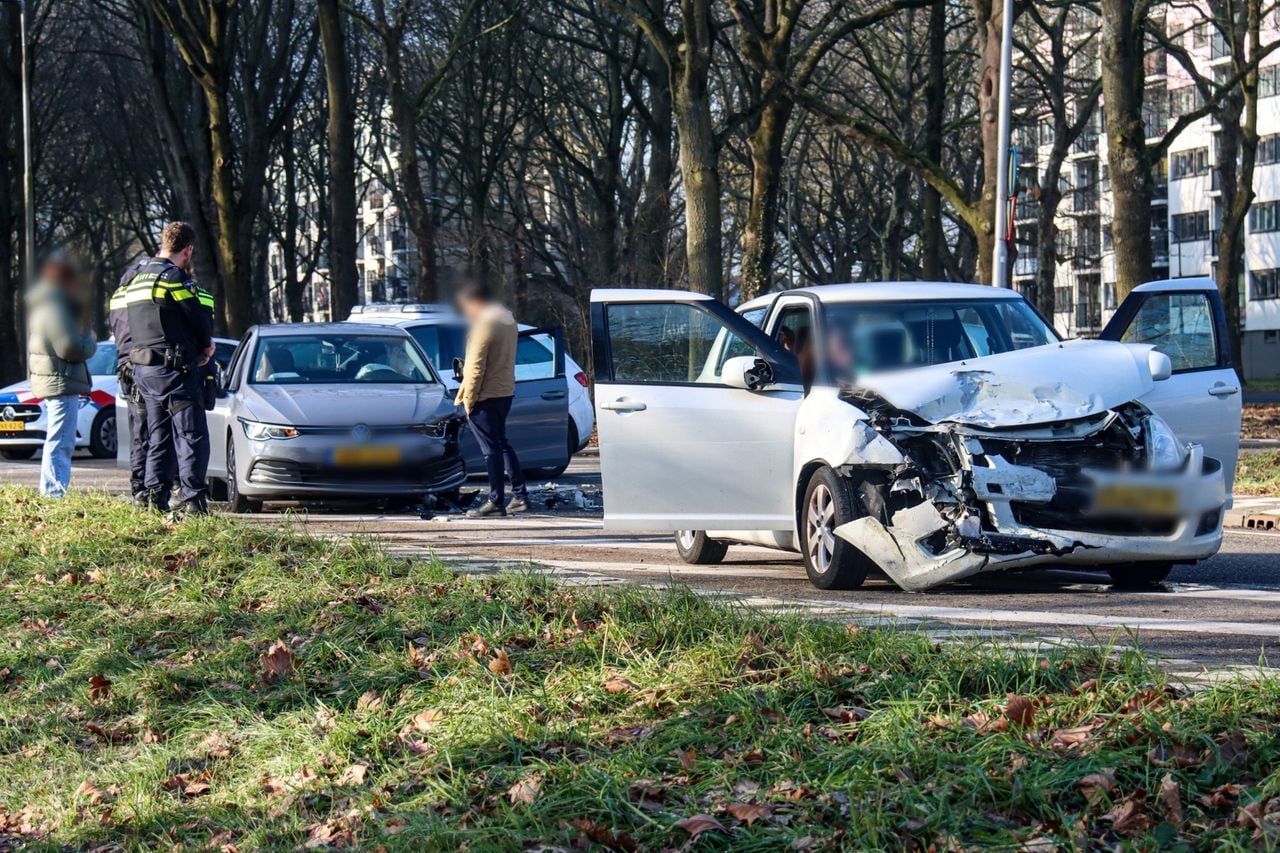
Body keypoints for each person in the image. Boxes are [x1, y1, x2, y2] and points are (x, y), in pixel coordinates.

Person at [123, 222, 215, 515]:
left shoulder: (136, 279)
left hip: (143, 371)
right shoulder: (173, 278)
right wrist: (206, 345)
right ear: (187, 249)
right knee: (191, 435)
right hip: (174, 371)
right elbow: (196, 316)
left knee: (158, 436)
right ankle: (193, 500)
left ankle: (154, 497)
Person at [454, 281, 528, 517]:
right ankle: (519, 495)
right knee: (502, 444)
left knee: (490, 449)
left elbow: (476, 367)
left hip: (485, 394)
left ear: (476, 302)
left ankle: (496, 500)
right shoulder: (507, 320)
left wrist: (469, 399)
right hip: (504, 391)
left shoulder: (483, 324)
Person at [26, 257, 96, 498]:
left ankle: (52, 490)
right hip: (61, 383)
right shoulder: (56, 308)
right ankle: (54, 492)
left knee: (58, 439)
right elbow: (69, 348)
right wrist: (89, 338)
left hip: (55, 380)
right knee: (61, 441)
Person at [109, 256, 153, 503]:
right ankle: (147, 487)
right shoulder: (142, 296)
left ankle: (138, 487)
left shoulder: (117, 296)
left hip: (126, 368)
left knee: (139, 431)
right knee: (151, 431)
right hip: (143, 365)